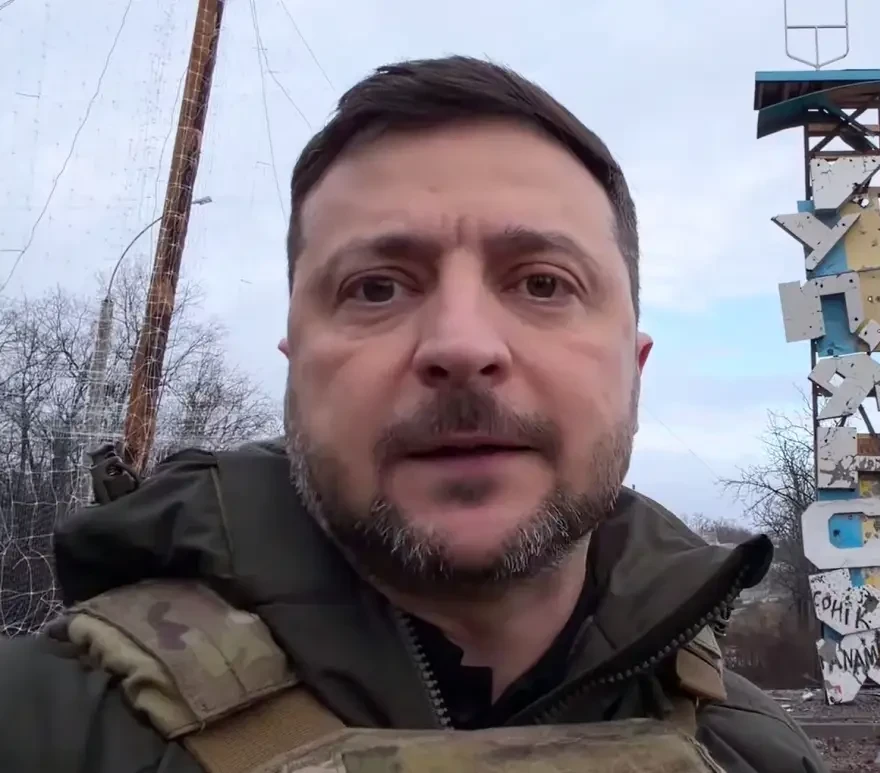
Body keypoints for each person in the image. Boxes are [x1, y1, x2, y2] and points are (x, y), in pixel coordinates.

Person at [0, 57, 828, 772]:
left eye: (543, 282)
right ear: (296, 370)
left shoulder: (755, 752)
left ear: (633, 372)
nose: (461, 345)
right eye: (376, 288)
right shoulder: (41, 726)